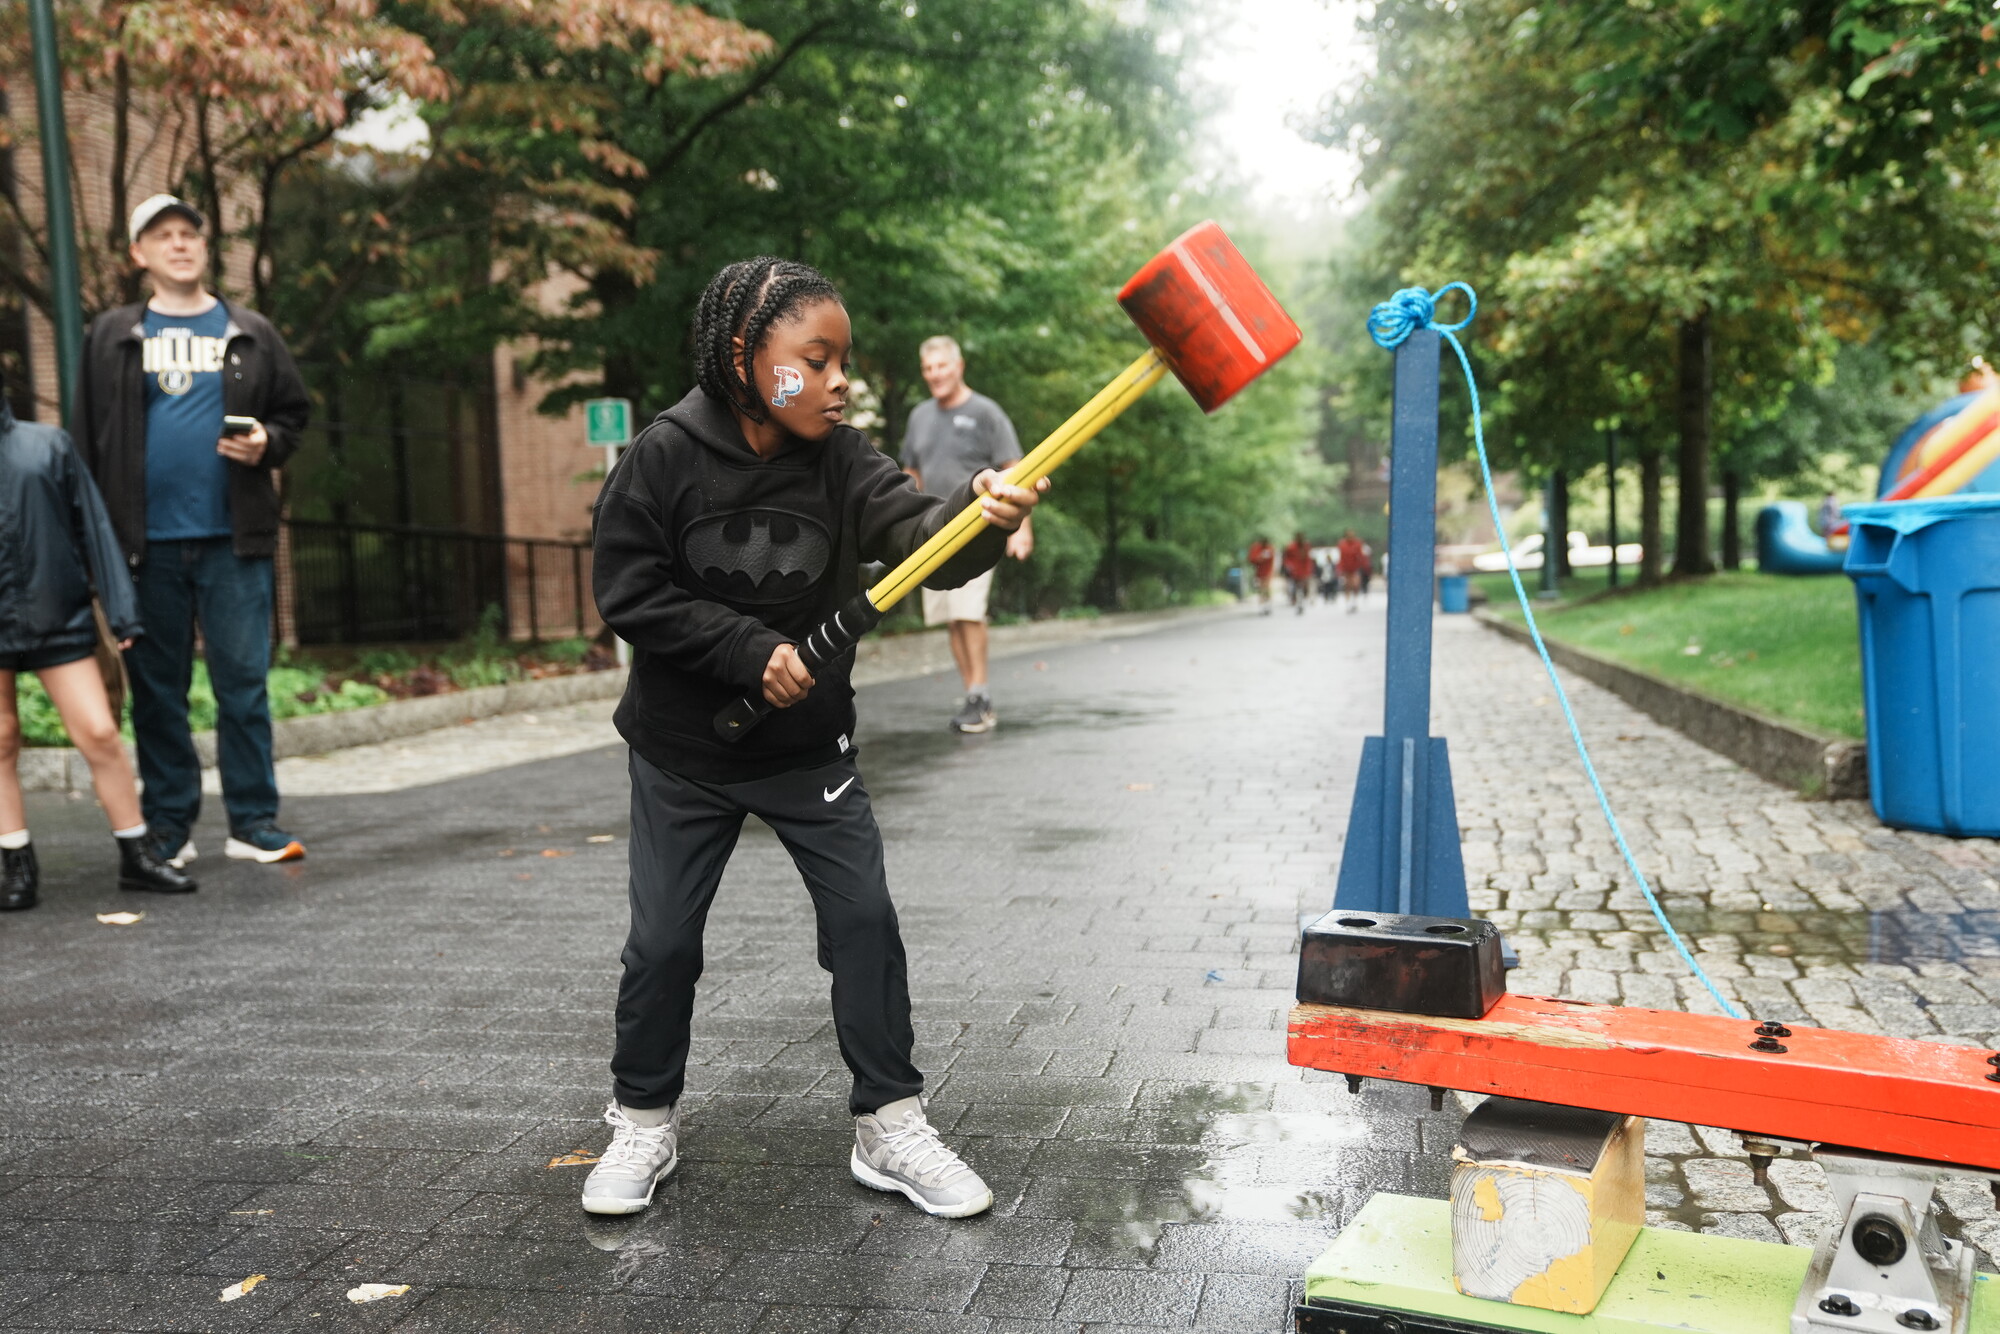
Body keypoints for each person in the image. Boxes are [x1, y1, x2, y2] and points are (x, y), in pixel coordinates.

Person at [585, 257, 1047, 1221]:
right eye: (817, 358)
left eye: (845, 361)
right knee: (663, 943)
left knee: (866, 924)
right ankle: (642, 1117)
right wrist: (747, 648)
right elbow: (628, 591)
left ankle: (889, 1123)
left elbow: (920, 530)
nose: (840, 381)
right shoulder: (663, 455)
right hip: (684, 754)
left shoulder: (842, 456)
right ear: (750, 358)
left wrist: (978, 513)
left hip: (807, 751)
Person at [74, 195, 311, 869]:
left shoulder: (251, 331)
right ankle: (170, 827)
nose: (179, 244)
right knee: (157, 692)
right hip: (142, 549)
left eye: (189, 234)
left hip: (235, 542)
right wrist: (94, 545)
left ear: (205, 250)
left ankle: (253, 822)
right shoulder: (113, 335)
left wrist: (267, 441)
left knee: (243, 686)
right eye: (163, 235)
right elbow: (87, 440)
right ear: (138, 254)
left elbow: (294, 415)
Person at [0, 373, 196, 908]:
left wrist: (122, 613)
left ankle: (138, 855)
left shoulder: (47, 445)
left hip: (55, 616)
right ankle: (15, 865)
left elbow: (95, 528)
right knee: (0, 740)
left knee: (100, 732)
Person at [900, 335, 1028, 733]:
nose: (934, 375)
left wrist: (1021, 529)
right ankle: (972, 696)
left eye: (941, 366)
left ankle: (981, 694)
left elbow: (1016, 468)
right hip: (930, 531)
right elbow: (911, 475)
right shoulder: (919, 416)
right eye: (927, 369)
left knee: (969, 614)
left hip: (979, 528)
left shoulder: (986, 413)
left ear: (959, 367)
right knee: (951, 619)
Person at [1282, 532, 1314, 614]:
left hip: (1304, 571)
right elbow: (1286, 558)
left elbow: (1308, 559)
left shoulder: (1306, 546)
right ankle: (1297, 602)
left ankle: (1302, 601)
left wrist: (1308, 570)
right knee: (1295, 587)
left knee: (1304, 587)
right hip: (1294, 571)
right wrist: (1289, 567)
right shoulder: (1291, 547)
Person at [1337, 528, 1368, 612]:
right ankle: (1347, 603)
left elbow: (1360, 555)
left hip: (1355, 568)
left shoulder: (1358, 543)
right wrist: (1340, 569)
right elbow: (1341, 557)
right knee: (1347, 585)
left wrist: (1364, 565)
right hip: (1346, 568)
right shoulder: (1342, 544)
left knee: (1355, 585)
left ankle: (1354, 601)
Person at [1247, 537, 1276, 614]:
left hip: (1268, 572)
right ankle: (1262, 605)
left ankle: (1268, 604)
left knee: (1266, 588)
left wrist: (1260, 558)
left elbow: (1269, 557)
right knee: (1261, 589)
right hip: (1259, 573)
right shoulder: (1256, 548)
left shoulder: (1270, 548)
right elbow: (1252, 559)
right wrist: (1259, 558)